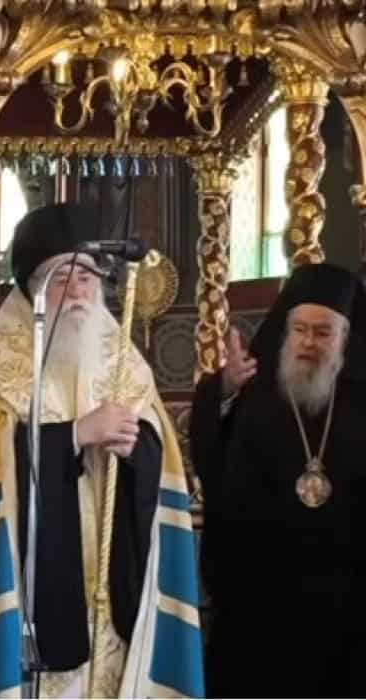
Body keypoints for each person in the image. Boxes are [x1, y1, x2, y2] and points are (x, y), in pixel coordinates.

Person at [0, 203, 203, 698]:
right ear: (31, 290)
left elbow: (161, 461)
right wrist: (74, 435)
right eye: (61, 277)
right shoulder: (4, 363)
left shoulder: (123, 358)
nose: (77, 289)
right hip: (41, 599)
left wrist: (137, 447)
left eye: (88, 276)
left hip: (114, 595)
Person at [190, 262, 366, 697]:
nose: (308, 342)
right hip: (260, 598)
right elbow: (211, 460)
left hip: (346, 603)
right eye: (300, 329)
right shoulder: (252, 390)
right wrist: (222, 391)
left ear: (345, 337)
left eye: (322, 332)